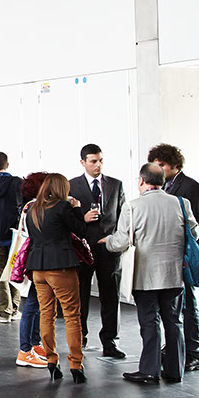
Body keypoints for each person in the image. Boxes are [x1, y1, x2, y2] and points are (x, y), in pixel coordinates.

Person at [105, 163, 199, 386]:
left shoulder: (132, 207)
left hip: (145, 276)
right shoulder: (180, 203)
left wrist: (107, 241)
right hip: (174, 275)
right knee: (174, 322)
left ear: (141, 181)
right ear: (164, 182)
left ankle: (149, 371)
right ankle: (175, 370)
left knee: (150, 322)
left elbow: (120, 242)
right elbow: (194, 232)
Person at [24, 173, 95, 384]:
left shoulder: (32, 210)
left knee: (46, 314)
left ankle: (51, 362)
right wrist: (76, 208)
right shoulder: (63, 207)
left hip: (38, 268)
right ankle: (76, 364)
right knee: (72, 316)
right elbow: (81, 230)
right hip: (61, 267)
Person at [148, 143, 199, 372]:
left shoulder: (190, 187)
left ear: (175, 165)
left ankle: (195, 353)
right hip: (171, 259)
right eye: (155, 165)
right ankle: (181, 351)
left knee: (188, 306)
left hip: (183, 258)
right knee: (176, 308)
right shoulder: (165, 187)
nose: (158, 169)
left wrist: (185, 255)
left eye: (162, 165)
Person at [68, 143, 127, 358]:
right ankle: (80, 339)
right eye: (93, 161)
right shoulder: (71, 185)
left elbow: (123, 216)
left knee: (111, 297)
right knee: (80, 296)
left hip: (109, 249)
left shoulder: (116, 185)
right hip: (82, 249)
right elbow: (66, 219)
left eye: (100, 160)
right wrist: (81, 217)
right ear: (83, 162)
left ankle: (110, 342)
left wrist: (118, 241)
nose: (98, 165)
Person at [14, 171, 49, 368]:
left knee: (36, 305)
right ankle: (25, 349)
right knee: (32, 306)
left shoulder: (29, 206)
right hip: (37, 260)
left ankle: (34, 345)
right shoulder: (37, 207)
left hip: (33, 259)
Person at [0, 151, 23, 324]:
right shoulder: (18, 183)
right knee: (15, 272)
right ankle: (14, 309)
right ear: (7, 165)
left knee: (0, 275)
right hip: (16, 237)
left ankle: (4, 312)